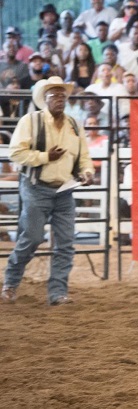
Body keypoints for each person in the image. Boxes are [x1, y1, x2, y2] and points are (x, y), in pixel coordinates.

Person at [3, 78, 96, 305]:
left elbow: (83, 156)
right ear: (44, 99)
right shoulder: (30, 121)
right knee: (32, 238)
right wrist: (45, 157)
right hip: (36, 187)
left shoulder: (74, 124)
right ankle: (11, 283)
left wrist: (87, 172)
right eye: (54, 95)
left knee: (65, 243)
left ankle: (57, 293)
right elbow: (15, 153)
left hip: (64, 189)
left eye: (62, 95)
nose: (59, 99)